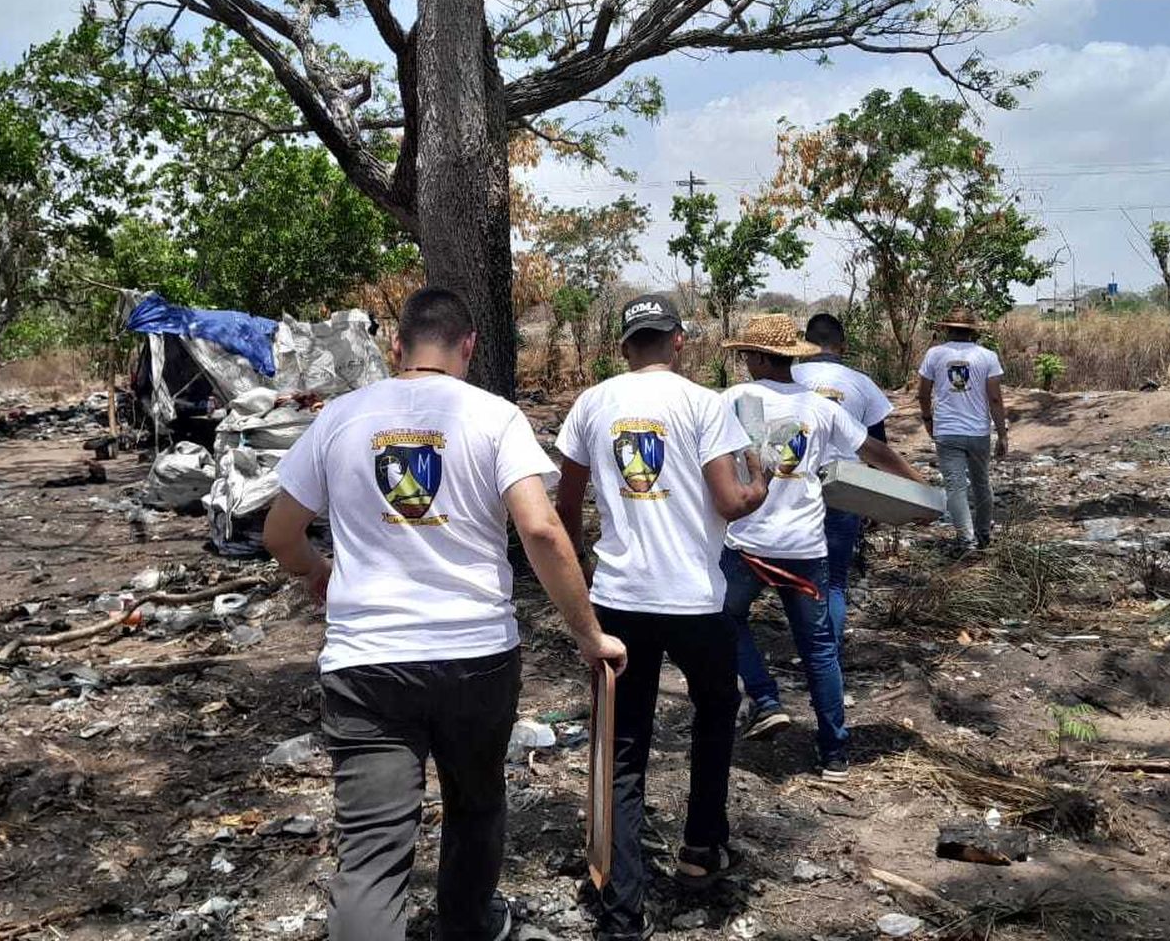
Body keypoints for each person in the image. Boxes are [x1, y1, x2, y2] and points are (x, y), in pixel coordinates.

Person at [263, 287, 628, 941]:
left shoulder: (340, 418)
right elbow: (542, 531)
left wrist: (318, 573)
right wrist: (588, 632)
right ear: (469, 346)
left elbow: (280, 533)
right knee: (477, 804)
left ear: (395, 348)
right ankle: (468, 922)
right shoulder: (495, 417)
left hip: (368, 664)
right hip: (476, 660)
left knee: (372, 850)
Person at [555, 293, 770, 941]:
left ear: (623, 347)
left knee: (623, 752)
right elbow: (730, 502)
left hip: (619, 600)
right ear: (679, 343)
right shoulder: (706, 404)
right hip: (693, 601)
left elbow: (562, 507)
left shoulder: (593, 404)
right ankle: (701, 851)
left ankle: (623, 914)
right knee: (714, 712)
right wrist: (761, 483)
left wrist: (581, 578)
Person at [718, 315, 927, 782]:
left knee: (723, 617)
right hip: (804, 545)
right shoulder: (821, 408)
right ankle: (834, 752)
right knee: (819, 652)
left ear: (757, 357)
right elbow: (875, 452)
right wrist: (920, 490)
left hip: (748, 542)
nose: (745, 362)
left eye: (746, 355)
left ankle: (765, 698)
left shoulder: (733, 401)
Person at [792, 312, 895, 638]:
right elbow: (877, 446)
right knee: (834, 580)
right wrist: (875, 502)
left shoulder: (787, 376)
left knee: (794, 577)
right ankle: (829, 651)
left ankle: (805, 645)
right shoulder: (861, 383)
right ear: (843, 346)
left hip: (794, 487)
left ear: (804, 343)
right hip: (845, 487)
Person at [917, 306, 1008, 553]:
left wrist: (928, 420)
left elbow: (923, 393)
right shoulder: (987, 356)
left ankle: (966, 541)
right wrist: (1002, 434)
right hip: (978, 431)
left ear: (946, 329)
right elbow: (995, 399)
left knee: (955, 486)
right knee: (981, 482)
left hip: (946, 431)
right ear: (973, 332)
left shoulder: (934, 355)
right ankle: (984, 534)